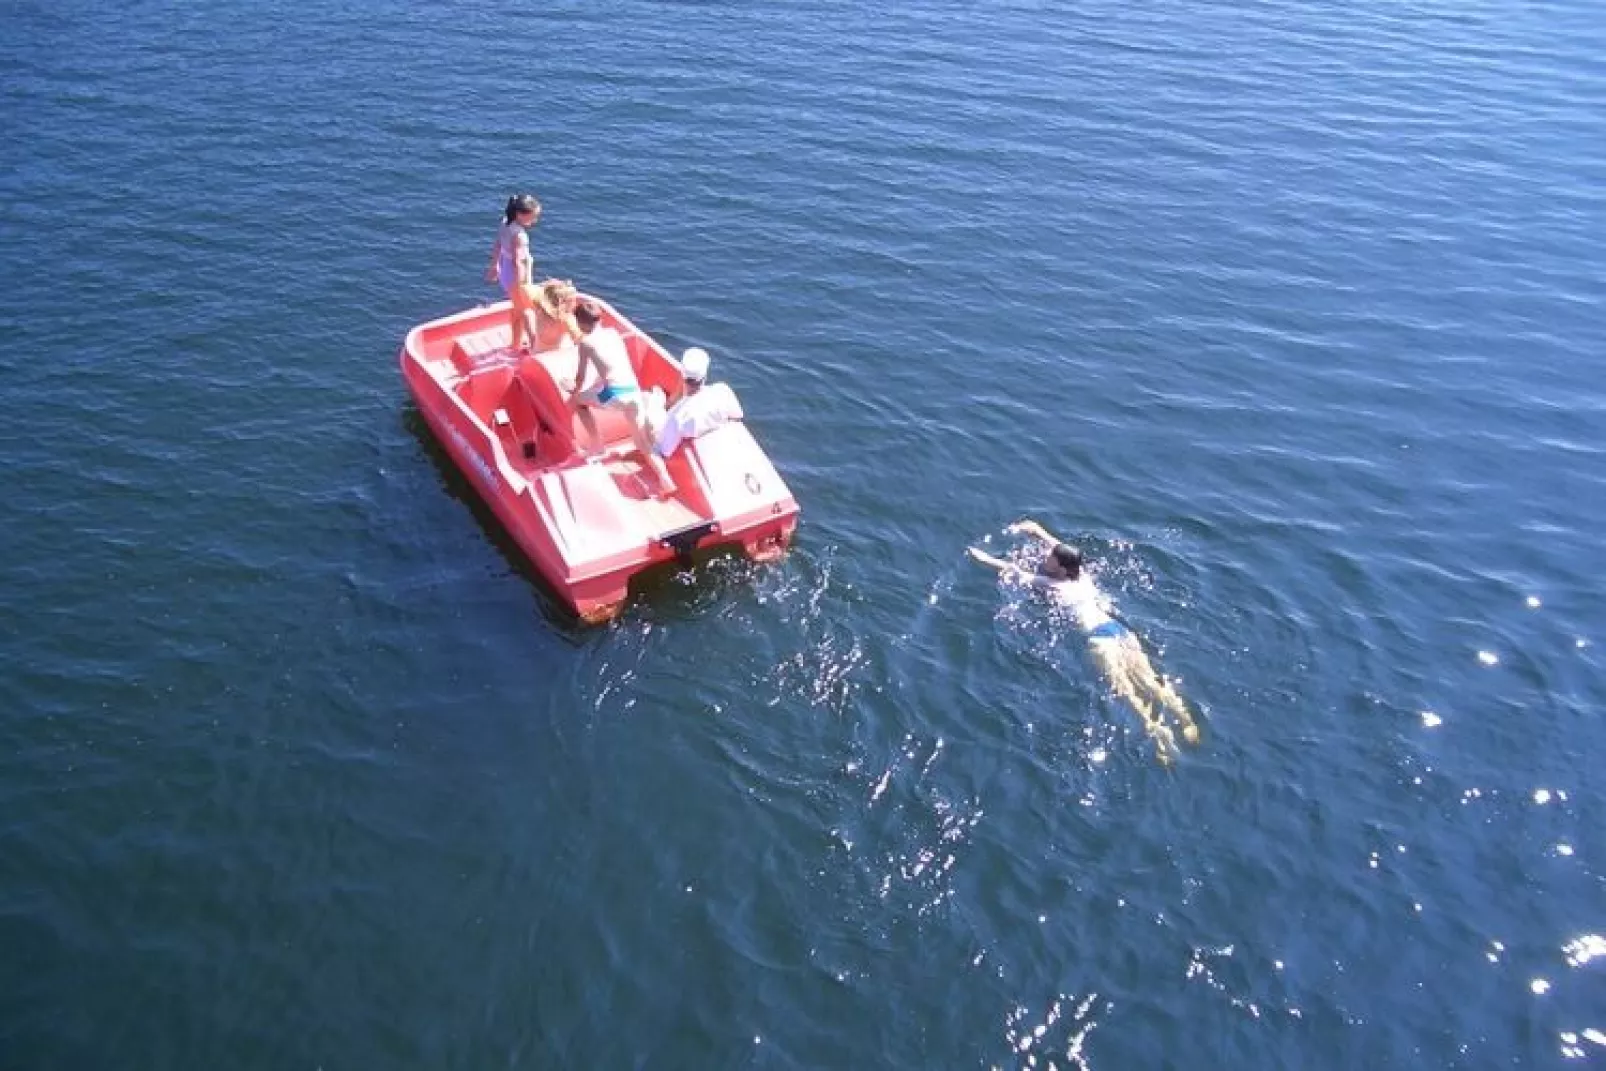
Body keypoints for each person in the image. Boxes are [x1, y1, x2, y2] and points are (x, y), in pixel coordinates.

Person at [968, 519, 1200, 764]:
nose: (1047, 558)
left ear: (1060, 569)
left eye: (1051, 560)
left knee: (1128, 692)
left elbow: (1011, 570)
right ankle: (1185, 720)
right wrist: (1032, 529)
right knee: (1151, 680)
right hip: (1119, 630)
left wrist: (982, 557)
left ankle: (1160, 735)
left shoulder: (1052, 584)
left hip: (1100, 640)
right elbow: (1051, 541)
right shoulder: (1081, 574)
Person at [568, 300, 676, 495]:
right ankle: (666, 479)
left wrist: (574, 392)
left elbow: (580, 376)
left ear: (581, 323)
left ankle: (597, 445)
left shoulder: (585, 342)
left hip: (614, 393)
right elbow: (610, 368)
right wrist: (594, 387)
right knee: (642, 443)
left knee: (578, 402)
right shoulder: (612, 334)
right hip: (632, 390)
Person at [652, 348, 745, 459]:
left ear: (682, 376)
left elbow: (665, 452)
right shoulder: (723, 390)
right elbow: (738, 415)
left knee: (655, 395)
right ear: (705, 376)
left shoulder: (677, 417)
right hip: (720, 445)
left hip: (673, 422)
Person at [485, 194, 542, 352]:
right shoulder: (520, 236)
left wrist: (494, 265)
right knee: (528, 310)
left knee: (517, 309)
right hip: (517, 274)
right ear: (520, 214)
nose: (534, 221)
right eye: (532, 217)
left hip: (505, 269)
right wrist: (521, 283)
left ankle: (515, 343)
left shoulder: (505, 223)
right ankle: (535, 345)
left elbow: (498, 244)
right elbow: (518, 261)